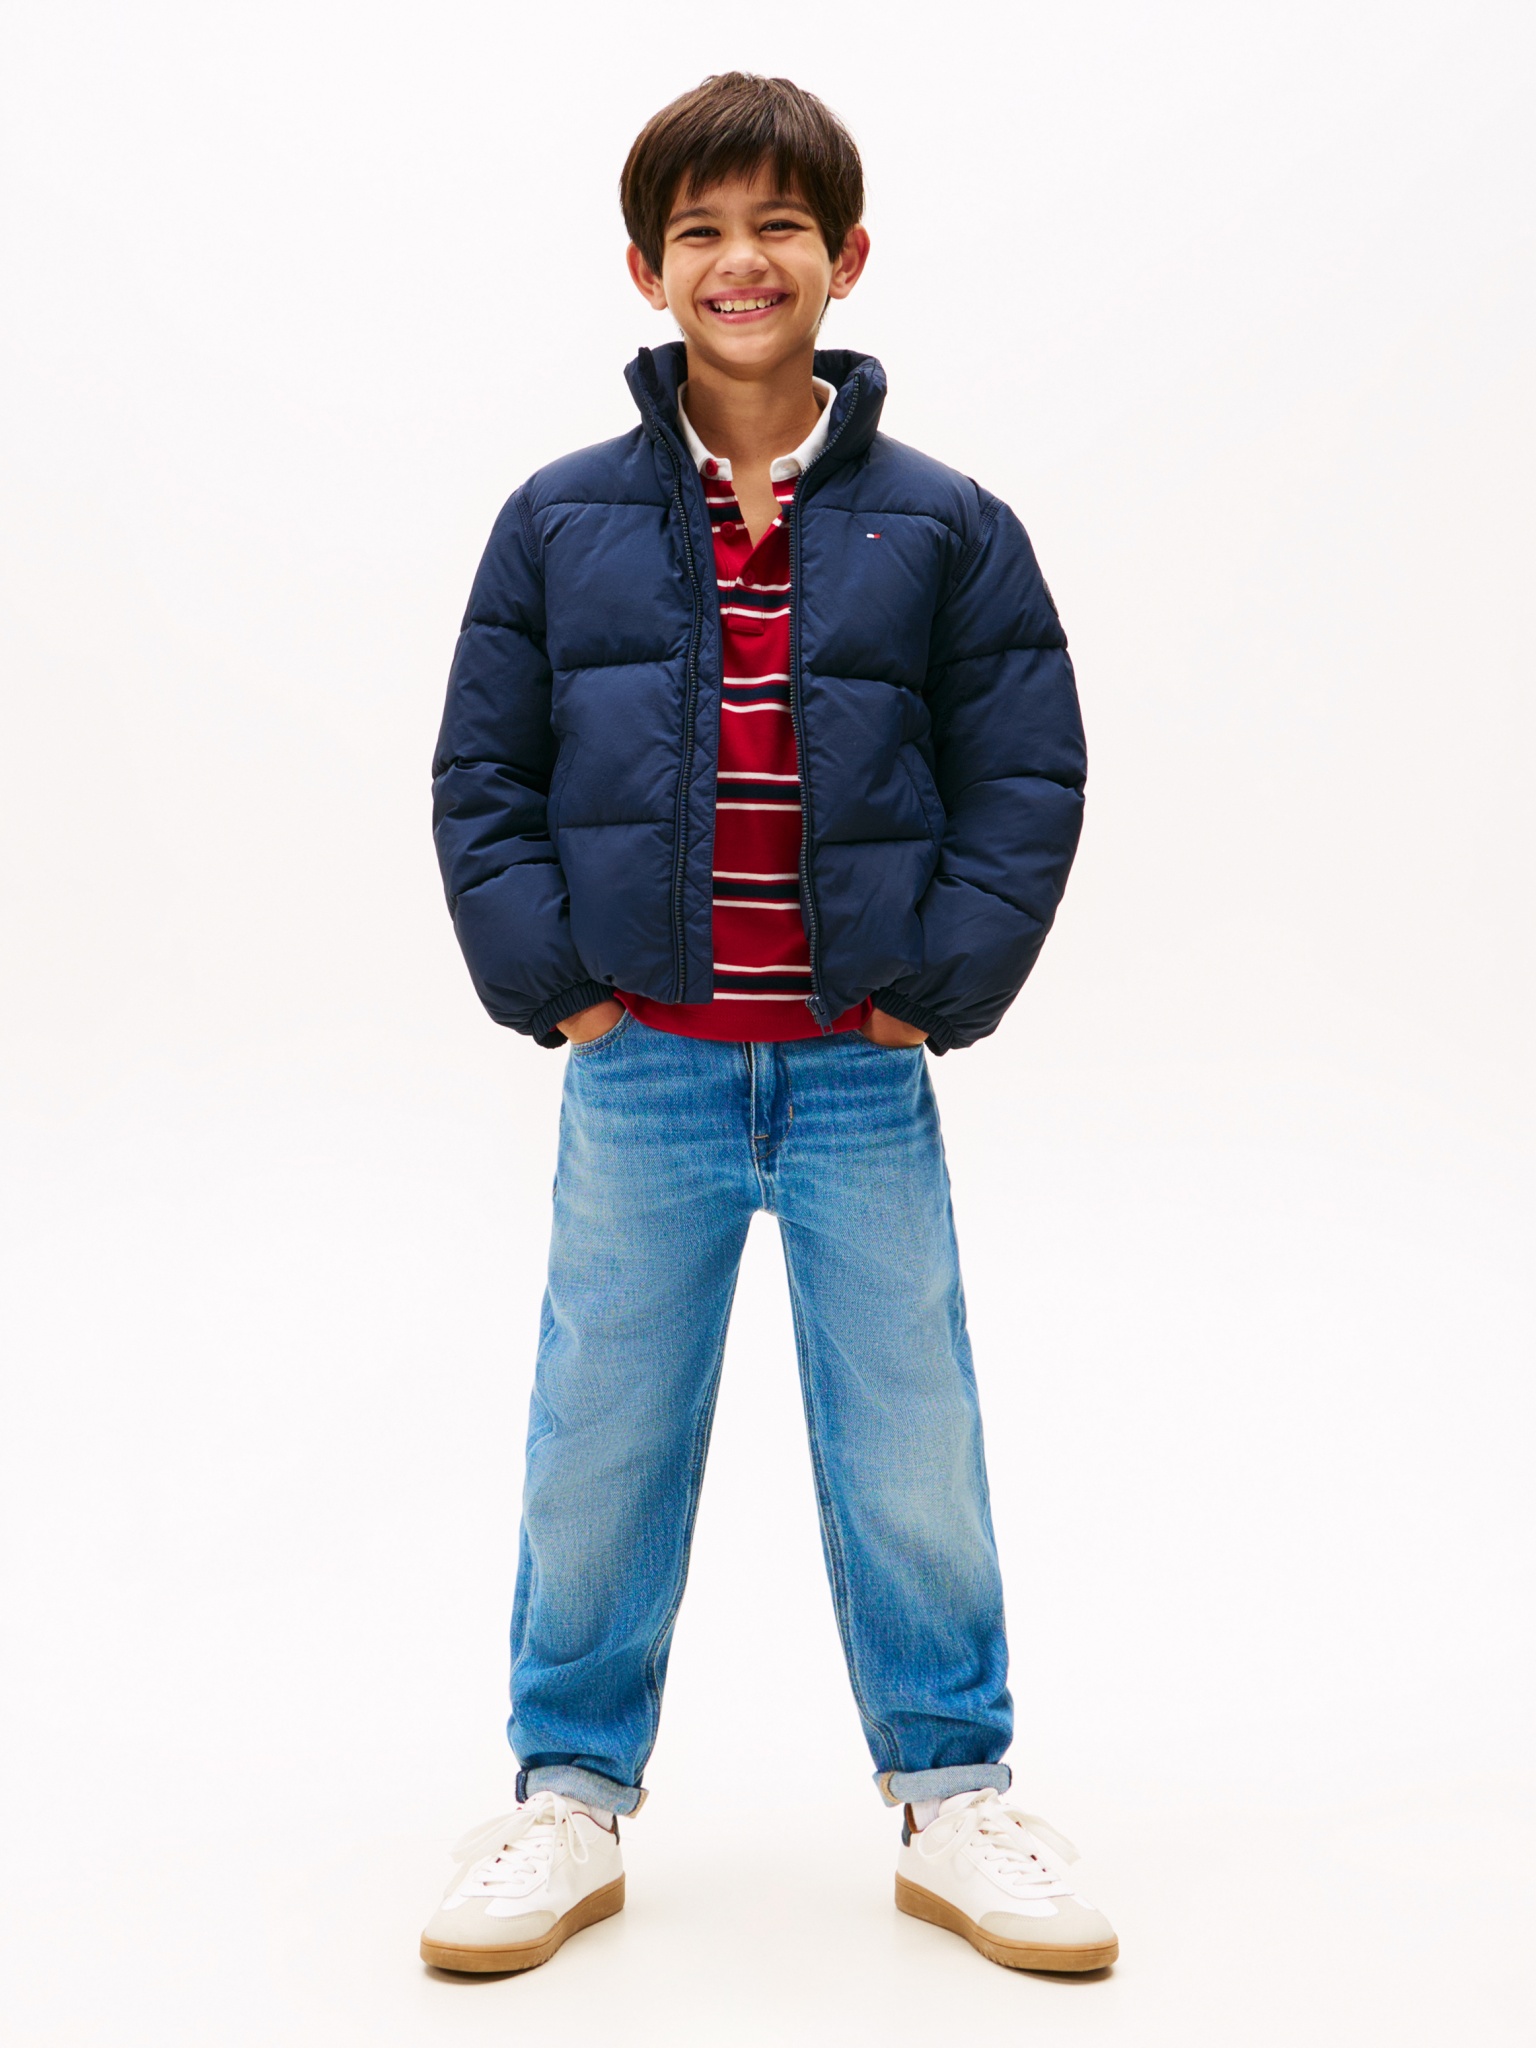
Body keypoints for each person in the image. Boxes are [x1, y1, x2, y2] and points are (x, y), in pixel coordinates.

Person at [420, 71, 1114, 1977]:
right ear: (647, 269)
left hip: (853, 1075)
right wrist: (559, 986)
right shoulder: (557, 520)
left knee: (910, 1429)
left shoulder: (943, 525)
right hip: (640, 1067)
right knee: (600, 1431)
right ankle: (567, 1795)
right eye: (703, 232)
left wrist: (935, 989)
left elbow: (1027, 772)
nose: (744, 261)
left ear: (847, 257)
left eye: (781, 227)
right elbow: (484, 776)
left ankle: (955, 1795)